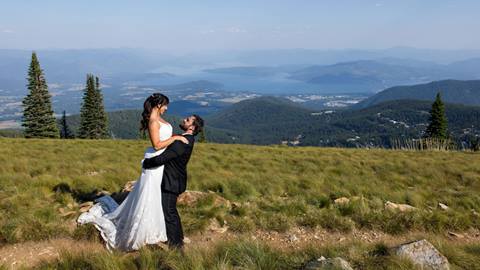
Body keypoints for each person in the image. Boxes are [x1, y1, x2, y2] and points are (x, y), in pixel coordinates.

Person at [77, 93, 188, 251]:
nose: (166, 108)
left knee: (156, 195)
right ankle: (142, 233)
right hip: (155, 161)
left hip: (161, 162)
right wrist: (175, 138)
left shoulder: (160, 120)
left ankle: (154, 230)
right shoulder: (153, 121)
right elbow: (156, 144)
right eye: (165, 105)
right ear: (158, 105)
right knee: (148, 195)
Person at [142, 114, 204, 249]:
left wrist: (146, 162)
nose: (184, 119)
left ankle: (175, 246)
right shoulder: (187, 139)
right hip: (176, 180)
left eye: (187, 120)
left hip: (172, 182)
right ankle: (178, 238)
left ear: (192, 127)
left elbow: (163, 158)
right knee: (172, 211)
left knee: (169, 213)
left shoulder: (182, 142)